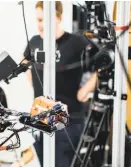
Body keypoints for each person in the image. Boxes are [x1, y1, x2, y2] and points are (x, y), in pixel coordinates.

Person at [23, 1, 97, 167]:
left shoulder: (76, 43)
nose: (39, 25)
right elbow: (25, 63)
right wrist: (34, 85)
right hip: (40, 117)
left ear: (58, 18)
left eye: (43, 20)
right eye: (38, 20)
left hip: (69, 120)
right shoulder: (34, 42)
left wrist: (84, 90)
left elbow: (103, 64)